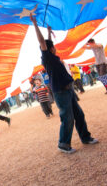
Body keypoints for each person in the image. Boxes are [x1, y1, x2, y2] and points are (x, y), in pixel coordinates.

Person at [30, 13, 98, 154]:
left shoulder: (52, 56)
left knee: (78, 115)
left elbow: (47, 43)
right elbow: (43, 42)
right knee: (67, 118)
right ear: (50, 49)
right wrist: (35, 24)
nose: (55, 47)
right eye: (52, 46)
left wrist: (48, 32)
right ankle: (63, 144)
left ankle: (85, 137)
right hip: (61, 91)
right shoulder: (47, 57)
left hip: (68, 90)